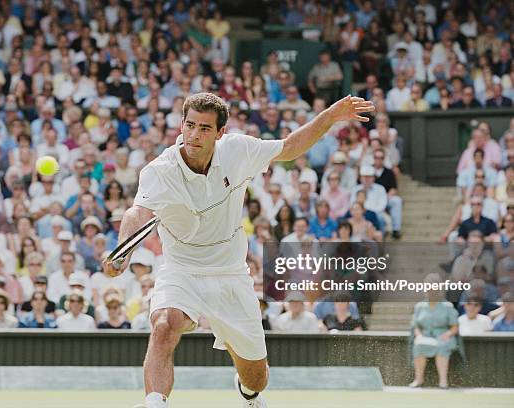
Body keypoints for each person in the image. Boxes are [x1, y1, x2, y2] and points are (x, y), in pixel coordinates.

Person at [103, 91, 374, 408]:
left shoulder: (238, 150)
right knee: (163, 324)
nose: (194, 135)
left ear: (220, 133)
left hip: (231, 274)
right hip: (181, 270)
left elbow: (288, 148)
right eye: (189, 125)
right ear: (181, 125)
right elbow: (138, 213)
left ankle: (247, 391)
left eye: (204, 128)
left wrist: (328, 115)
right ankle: (154, 402)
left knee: (257, 378)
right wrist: (123, 249)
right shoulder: (159, 171)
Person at [410, 274, 459, 389]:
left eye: (434, 288)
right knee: (418, 345)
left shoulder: (447, 306)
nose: (431, 291)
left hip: (443, 336)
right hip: (425, 336)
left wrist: (447, 334)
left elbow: (454, 327)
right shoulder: (419, 306)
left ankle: (443, 381)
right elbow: (416, 326)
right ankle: (418, 379)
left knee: (442, 346)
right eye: (428, 288)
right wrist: (419, 336)